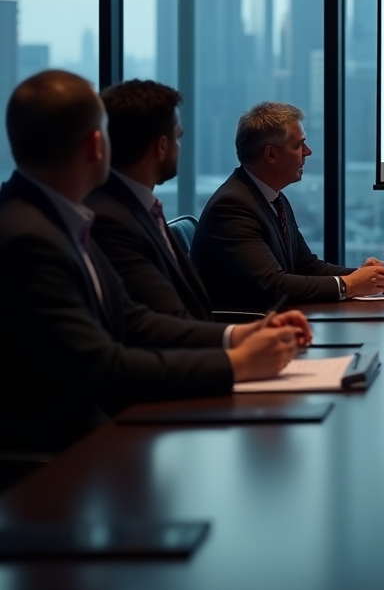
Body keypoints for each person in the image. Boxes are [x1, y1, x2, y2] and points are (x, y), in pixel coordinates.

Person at [0, 71, 312, 451]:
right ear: (98, 145)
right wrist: (238, 364)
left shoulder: (57, 217)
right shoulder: (32, 237)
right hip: (74, 453)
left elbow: (132, 319)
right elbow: (103, 367)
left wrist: (237, 336)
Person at [192, 102, 384, 309]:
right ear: (271, 155)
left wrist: (365, 276)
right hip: (248, 332)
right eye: (299, 145)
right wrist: (348, 285)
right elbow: (273, 286)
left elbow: (305, 266)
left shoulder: (272, 197)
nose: (308, 152)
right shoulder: (232, 207)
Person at [86, 80, 217, 322]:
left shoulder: (138, 207)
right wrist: (240, 338)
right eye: (177, 137)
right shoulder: (110, 221)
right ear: (162, 146)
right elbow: (167, 318)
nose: (179, 147)